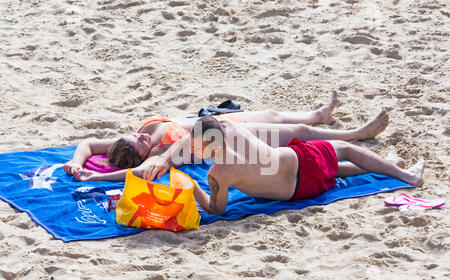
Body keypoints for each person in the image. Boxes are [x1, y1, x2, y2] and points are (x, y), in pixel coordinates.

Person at [69, 91, 389, 182]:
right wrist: (91, 180)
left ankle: (320, 115)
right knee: (299, 136)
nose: (139, 138)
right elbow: (133, 174)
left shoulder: (134, 136)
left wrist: (75, 163)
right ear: (141, 155)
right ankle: (356, 134)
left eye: (133, 136)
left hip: (219, 122)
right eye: (138, 145)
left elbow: (87, 145)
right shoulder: (154, 157)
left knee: (275, 116)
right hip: (225, 138)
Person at [189, 117, 425, 215]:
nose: (192, 148)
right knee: (344, 151)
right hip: (302, 161)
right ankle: (392, 167)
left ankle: (405, 174)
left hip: (300, 190)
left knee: (341, 159)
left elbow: (216, 210)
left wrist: (193, 189)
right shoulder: (230, 126)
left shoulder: (218, 173)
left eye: (195, 144)